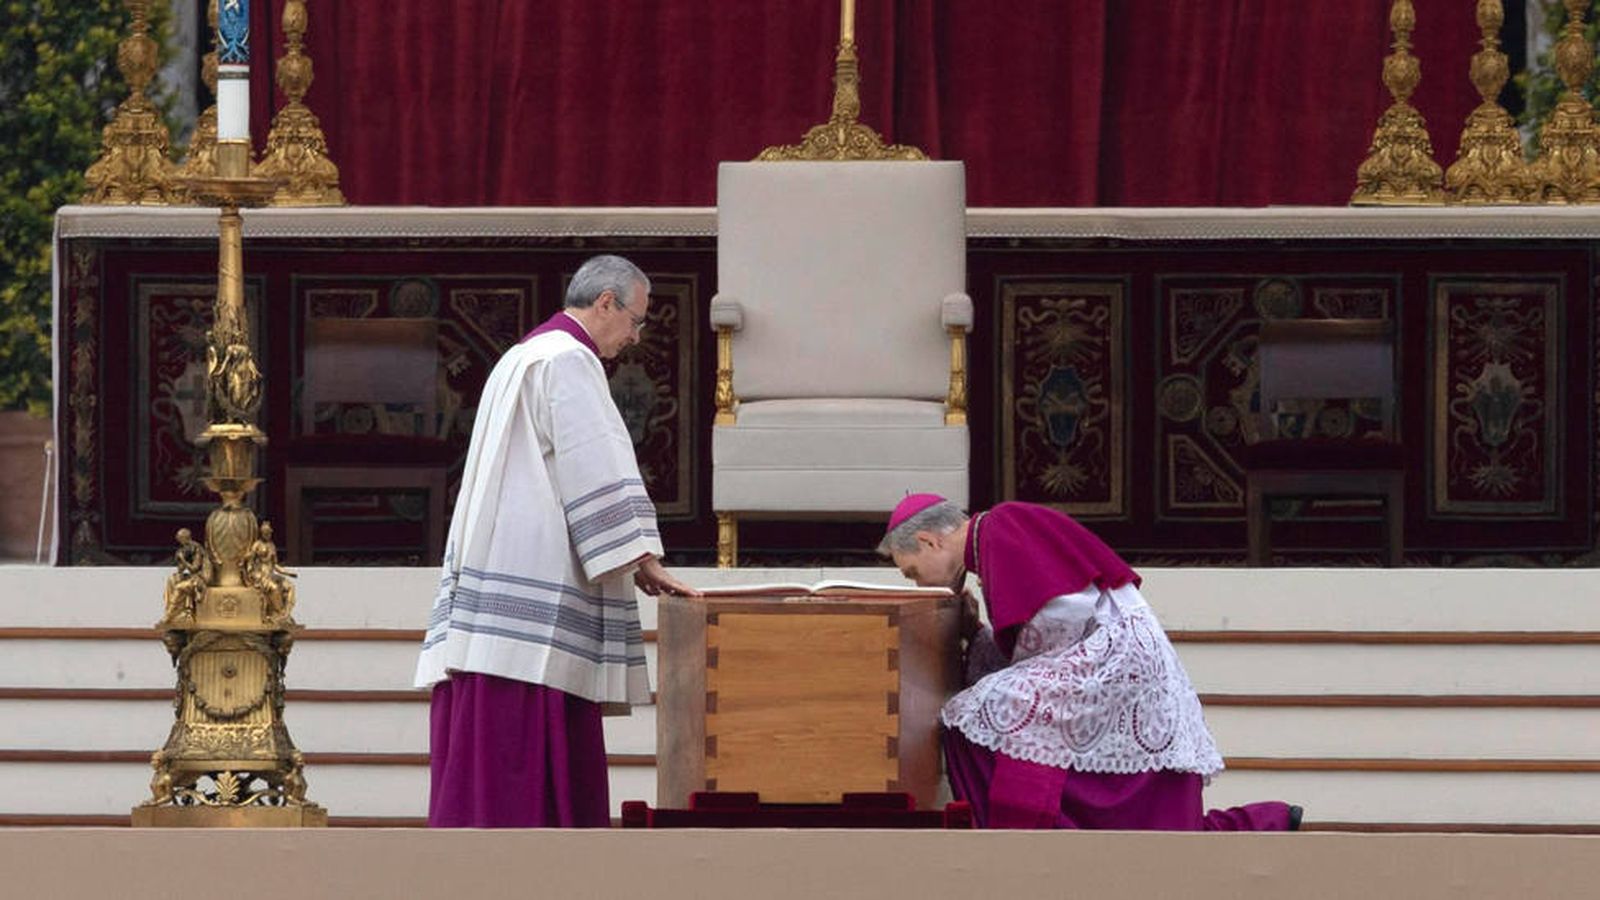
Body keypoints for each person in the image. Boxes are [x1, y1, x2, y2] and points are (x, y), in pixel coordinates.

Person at [415, 254, 696, 827]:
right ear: (606, 302)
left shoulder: (521, 355)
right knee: (529, 709)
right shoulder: (570, 360)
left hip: (496, 558)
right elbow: (592, 460)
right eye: (636, 320)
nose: (636, 337)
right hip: (537, 565)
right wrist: (640, 556)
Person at [879, 493, 1298, 831]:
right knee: (994, 709)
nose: (919, 583)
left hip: (1112, 655)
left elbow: (1064, 613)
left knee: (968, 713)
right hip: (1112, 652)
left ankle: (1021, 826)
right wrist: (980, 636)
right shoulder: (990, 536)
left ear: (929, 541)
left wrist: (1001, 664)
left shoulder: (1000, 526)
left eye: (913, 572)